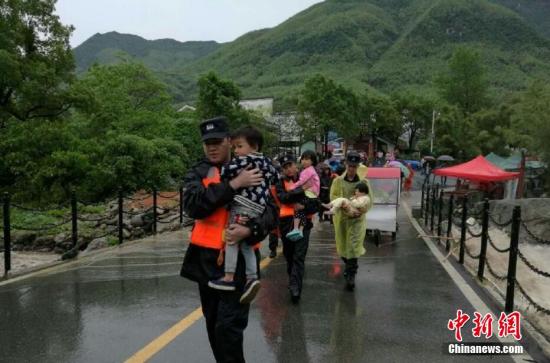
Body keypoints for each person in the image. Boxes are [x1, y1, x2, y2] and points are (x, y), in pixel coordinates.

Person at [180, 116, 278, 363]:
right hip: (205, 260)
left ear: (229, 142)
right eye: (206, 143)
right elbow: (194, 206)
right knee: (214, 326)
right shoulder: (199, 172)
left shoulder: (253, 166)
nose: (211, 147)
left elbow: (272, 210)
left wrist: (251, 230)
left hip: (241, 263)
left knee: (228, 329)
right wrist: (234, 184)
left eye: (216, 142)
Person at [208, 126, 278, 305]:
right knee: (246, 244)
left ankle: (228, 277)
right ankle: (252, 277)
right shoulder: (267, 162)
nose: (236, 151)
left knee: (232, 238)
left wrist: (232, 177)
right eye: (235, 147)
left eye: (239, 146)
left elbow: (226, 171)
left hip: (242, 205)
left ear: (253, 147)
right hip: (258, 208)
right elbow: (277, 177)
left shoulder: (243, 161)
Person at [330, 151, 373, 291]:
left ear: (357, 166)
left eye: (354, 166)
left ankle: (351, 275)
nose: (351, 169)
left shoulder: (364, 183)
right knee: (343, 248)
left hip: (357, 221)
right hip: (342, 221)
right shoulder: (337, 181)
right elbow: (333, 197)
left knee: (353, 247)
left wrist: (359, 211)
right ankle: (350, 267)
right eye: (349, 166)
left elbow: (370, 200)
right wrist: (344, 207)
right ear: (346, 165)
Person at [275, 154, 313, 303]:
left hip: (304, 223)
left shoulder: (308, 179)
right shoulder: (279, 183)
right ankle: (293, 278)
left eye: (291, 165)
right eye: (285, 167)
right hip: (286, 224)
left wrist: (303, 205)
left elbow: (315, 201)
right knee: (289, 255)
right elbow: (283, 198)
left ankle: (295, 287)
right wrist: (300, 190)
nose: (289, 169)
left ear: (296, 166)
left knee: (299, 256)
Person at [285, 150, 320, 241]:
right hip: (312, 194)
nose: (304, 161)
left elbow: (301, 182)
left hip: (310, 193)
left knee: (299, 209)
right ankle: (299, 230)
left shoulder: (308, 171)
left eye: (307, 159)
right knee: (302, 212)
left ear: (312, 161)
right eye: (303, 159)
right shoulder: (310, 170)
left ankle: (297, 228)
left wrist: (292, 187)